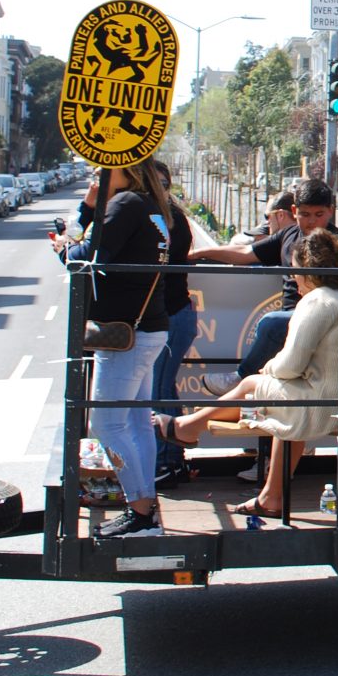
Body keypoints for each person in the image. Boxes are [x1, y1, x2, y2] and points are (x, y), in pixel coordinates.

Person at [156, 228, 338, 519]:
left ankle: (189, 427)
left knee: (251, 382)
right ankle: (270, 496)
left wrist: (268, 369)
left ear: (309, 272)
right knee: (285, 407)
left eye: (295, 271)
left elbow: (291, 364)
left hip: (318, 405)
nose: (293, 279)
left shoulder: (316, 301)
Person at [75, 159, 177, 538]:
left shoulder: (125, 204)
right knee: (135, 422)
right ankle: (144, 506)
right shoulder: (151, 206)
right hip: (147, 327)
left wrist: (85, 212)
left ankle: (140, 512)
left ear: (121, 170)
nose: (94, 174)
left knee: (105, 423)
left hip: (125, 334)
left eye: (100, 168)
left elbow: (83, 255)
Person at [187, 178, 338, 384]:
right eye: (305, 215)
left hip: (325, 319)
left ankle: (241, 377)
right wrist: (198, 253)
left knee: (271, 324)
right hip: (294, 319)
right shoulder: (288, 235)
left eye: (319, 215)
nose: (312, 222)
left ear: (331, 211)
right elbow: (246, 252)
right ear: (294, 210)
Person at [150, 159, 199, 490]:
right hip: (169, 314)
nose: (159, 190)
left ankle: (168, 461)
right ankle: (171, 459)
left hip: (172, 314)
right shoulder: (164, 218)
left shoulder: (170, 220)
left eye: (164, 184)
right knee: (162, 387)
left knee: (160, 389)